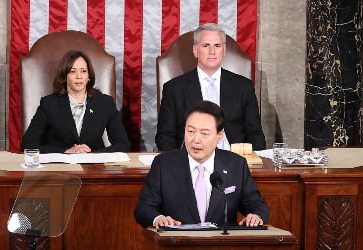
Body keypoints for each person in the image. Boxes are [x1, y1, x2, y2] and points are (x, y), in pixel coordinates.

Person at [135, 101, 269, 228]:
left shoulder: (236, 164)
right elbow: (144, 208)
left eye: (204, 133)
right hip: (177, 243)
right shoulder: (164, 164)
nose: (196, 140)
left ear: (219, 135)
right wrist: (158, 218)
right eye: (191, 131)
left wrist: (256, 216)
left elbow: (256, 204)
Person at [156, 23, 266, 151]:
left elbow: (255, 134)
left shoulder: (243, 87)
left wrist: (255, 164)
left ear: (224, 50)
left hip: (234, 160)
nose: (212, 52)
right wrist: (179, 164)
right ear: (195, 50)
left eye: (217, 46)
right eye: (206, 45)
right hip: (191, 160)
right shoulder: (174, 88)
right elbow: (165, 136)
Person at [21, 50, 131, 153]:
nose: (79, 76)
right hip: (61, 167)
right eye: (73, 71)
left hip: (94, 168)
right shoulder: (49, 104)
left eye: (83, 71)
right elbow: (27, 144)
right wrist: (65, 152)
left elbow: (123, 144)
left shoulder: (104, 103)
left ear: (89, 76)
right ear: (64, 76)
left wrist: (92, 154)